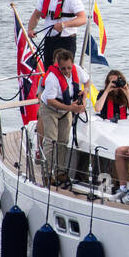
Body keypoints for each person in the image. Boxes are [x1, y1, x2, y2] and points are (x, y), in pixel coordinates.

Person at [39, 48, 89, 183]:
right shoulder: (52, 78)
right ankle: (47, 173)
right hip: (50, 109)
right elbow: (50, 100)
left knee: (63, 141)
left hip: (66, 110)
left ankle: (60, 172)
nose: (66, 72)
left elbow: (87, 82)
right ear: (58, 66)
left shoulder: (78, 70)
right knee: (51, 140)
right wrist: (71, 108)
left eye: (68, 68)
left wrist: (84, 97)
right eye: (63, 69)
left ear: (72, 64)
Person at [27, 0, 88, 69]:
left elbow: (82, 19)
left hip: (66, 40)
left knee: (64, 71)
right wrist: (30, 29)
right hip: (50, 40)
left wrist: (64, 25)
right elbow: (36, 14)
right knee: (49, 71)